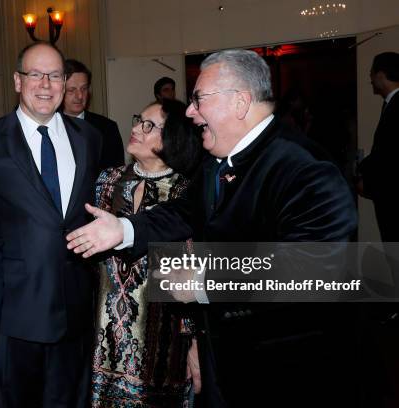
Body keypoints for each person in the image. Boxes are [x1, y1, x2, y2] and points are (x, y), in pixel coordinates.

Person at [67, 49, 357, 407]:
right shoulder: (218, 160)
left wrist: (206, 283)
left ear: (240, 102)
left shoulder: (305, 168)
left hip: (286, 369)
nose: (189, 112)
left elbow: (316, 268)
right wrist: (124, 229)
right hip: (225, 356)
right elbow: (186, 211)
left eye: (198, 99)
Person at [0, 41, 101, 408]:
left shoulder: (89, 139)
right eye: (35, 74)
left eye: (55, 75)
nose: (46, 84)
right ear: (17, 81)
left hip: (76, 310)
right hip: (14, 314)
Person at [90, 99, 201, 406]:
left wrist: (194, 342)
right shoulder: (106, 181)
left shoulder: (185, 192)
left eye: (149, 125)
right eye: (139, 119)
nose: (136, 128)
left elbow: (193, 271)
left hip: (164, 340)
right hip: (104, 336)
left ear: (173, 137)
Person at [358, 51, 399, 242]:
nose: (371, 80)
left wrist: (361, 171)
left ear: (381, 75)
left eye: (372, 74)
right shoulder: (391, 104)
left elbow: (386, 152)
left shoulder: (396, 106)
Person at [63, 58, 124, 172]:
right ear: (59, 91)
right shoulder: (47, 126)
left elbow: (115, 175)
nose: (80, 96)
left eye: (84, 89)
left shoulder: (107, 128)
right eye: (71, 90)